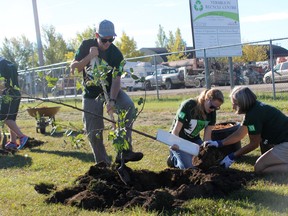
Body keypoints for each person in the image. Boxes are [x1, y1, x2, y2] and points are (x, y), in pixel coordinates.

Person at [70, 19, 143, 165]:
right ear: (97, 35)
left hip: (110, 90)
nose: (108, 43)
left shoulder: (116, 54)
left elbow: (116, 80)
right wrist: (89, 57)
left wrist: (112, 100)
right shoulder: (86, 45)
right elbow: (74, 68)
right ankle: (103, 163)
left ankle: (124, 150)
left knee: (128, 106)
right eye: (104, 40)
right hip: (91, 93)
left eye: (111, 39)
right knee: (93, 130)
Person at [204, 86, 288, 174]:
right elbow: (240, 134)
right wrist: (219, 143)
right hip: (283, 140)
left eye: (234, 103)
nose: (233, 107)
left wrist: (232, 156)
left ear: (242, 103)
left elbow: (254, 144)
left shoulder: (253, 115)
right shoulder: (254, 108)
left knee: (259, 168)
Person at [167, 88, 224, 169]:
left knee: (205, 162)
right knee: (189, 168)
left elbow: (207, 138)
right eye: (212, 107)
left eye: (217, 108)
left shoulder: (212, 113)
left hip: (194, 139)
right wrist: (174, 142)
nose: (213, 110)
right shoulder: (189, 105)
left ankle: (183, 156)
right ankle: (173, 159)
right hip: (179, 138)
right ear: (207, 99)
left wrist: (207, 150)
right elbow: (176, 130)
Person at [0, 57, 29, 150]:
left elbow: (2, 83)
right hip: (16, 93)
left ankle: (22, 137)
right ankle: (13, 142)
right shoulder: (9, 63)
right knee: (11, 119)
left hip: (8, 94)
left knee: (6, 118)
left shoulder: (1, 65)